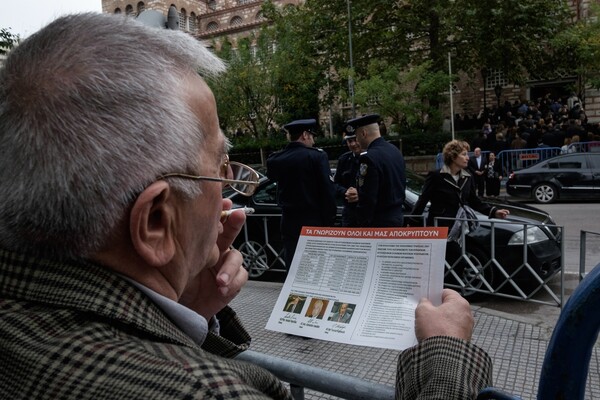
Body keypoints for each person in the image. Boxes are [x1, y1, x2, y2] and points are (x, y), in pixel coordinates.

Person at [0, 13, 492, 400]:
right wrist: (443, 357)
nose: (231, 193)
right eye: (221, 168)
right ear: (154, 222)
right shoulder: (210, 393)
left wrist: (181, 308)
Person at [410, 140, 510, 263]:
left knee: (456, 263)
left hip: (460, 228)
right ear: (453, 156)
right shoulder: (436, 176)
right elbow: (422, 200)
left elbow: (474, 200)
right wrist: (412, 222)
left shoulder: (468, 177)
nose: (468, 158)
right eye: (464, 154)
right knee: (451, 262)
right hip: (440, 227)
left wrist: (493, 212)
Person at [266, 119, 337, 268]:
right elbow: (328, 192)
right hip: (314, 220)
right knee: (315, 268)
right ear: (305, 135)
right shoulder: (317, 156)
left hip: (289, 220)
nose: (313, 140)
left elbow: (272, 178)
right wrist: (329, 222)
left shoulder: (276, 159)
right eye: (312, 135)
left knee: (293, 265)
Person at [347, 114, 406, 227]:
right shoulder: (394, 151)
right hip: (397, 217)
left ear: (363, 133)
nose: (357, 141)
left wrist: (361, 221)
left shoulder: (368, 158)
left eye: (357, 136)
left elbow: (368, 196)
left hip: (378, 222)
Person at [333, 128, 362, 226]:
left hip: (368, 213)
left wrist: (360, 194)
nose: (353, 144)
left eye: (355, 140)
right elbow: (335, 184)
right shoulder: (344, 159)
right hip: (349, 213)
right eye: (350, 141)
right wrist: (346, 192)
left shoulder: (372, 157)